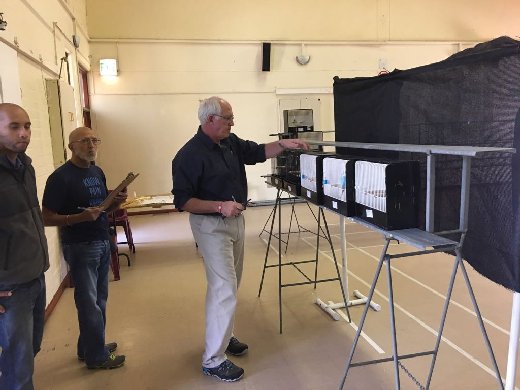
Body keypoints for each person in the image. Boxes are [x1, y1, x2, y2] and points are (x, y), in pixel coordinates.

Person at [172, 96, 308, 382]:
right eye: (228, 118)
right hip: (211, 225)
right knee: (224, 287)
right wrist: (220, 206)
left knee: (229, 285)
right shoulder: (188, 155)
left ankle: (225, 336)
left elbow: (258, 151)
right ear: (209, 120)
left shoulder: (230, 142)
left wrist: (284, 144)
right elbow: (184, 201)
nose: (233, 123)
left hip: (235, 220)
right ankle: (213, 360)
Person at [42, 126, 126, 370]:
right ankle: (96, 356)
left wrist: (115, 204)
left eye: (94, 140)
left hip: (100, 240)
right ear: (72, 147)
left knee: (99, 299)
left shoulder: (97, 172)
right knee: (89, 302)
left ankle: (89, 346)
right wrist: (77, 219)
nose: (91, 146)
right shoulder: (60, 178)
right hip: (80, 246)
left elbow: (98, 211)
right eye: (85, 141)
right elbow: (47, 217)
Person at [0, 103, 49, 389]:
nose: (24, 133)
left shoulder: (25, 167)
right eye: (14, 127)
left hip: (34, 275)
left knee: (28, 351)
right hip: (10, 287)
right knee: (19, 367)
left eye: (27, 126)